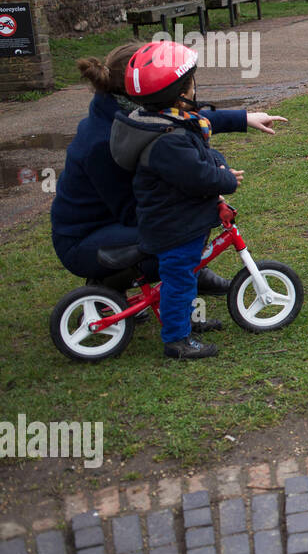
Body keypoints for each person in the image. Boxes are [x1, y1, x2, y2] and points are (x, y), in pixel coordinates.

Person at [50, 41, 284, 293]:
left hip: (114, 223)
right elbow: (130, 211)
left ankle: (190, 271)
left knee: (194, 215)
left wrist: (243, 118)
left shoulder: (129, 112)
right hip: (87, 241)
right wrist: (196, 193)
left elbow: (180, 120)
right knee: (185, 223)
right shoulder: (102, 142)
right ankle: (111, 284)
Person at [109, 41, 243, 359]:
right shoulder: (168, 141)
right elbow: (199, 176)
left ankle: (186, 320)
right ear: (179, 92)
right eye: (192, 82)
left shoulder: (163, 121)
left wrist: (217, 161)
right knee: (180, 279)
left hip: (177, 219)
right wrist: (225, 178)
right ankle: (176, 340)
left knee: (187, 273)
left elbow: (201, 153)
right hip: (174, 226)